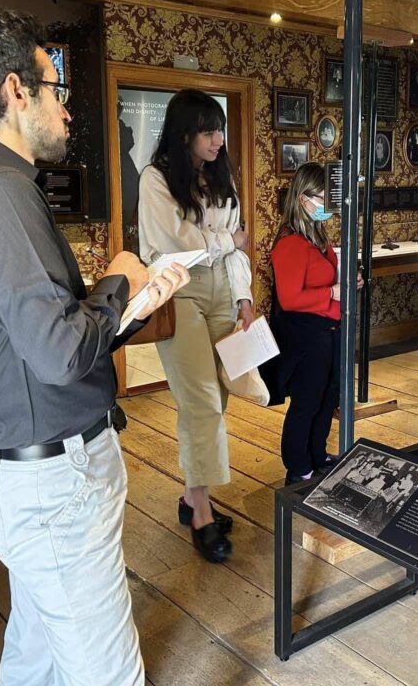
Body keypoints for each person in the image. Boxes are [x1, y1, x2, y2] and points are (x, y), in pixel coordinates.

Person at [0, 5, 189, 685]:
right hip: (52, 482)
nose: (66, 112)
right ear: (16, 93)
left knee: (37, 659)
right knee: (107, 672)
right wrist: (121, 282)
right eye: (54, 91)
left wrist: (131, 296)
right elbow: (61, 353)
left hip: (27, 472)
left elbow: (33, 341)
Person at [138, 89, 252, 563]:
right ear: (184, 132)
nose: (217, 139)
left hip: (224, 290)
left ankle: (191, 496)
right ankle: (201, 510)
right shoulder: (155, 179)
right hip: (179, 290)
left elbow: (238, 247)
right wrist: (227, 239)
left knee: (219, 395)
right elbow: (177, 244)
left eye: (219, 129)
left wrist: (245, 296)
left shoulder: (221, 176)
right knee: (200, 399)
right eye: (208, 130)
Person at [270, 163, 363, 484]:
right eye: (322, 199)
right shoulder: (290, 243)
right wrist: (333, 291)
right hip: (306, 335)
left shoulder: (317, 236)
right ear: (303, 198)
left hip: (329, 331)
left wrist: (349, 281)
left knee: (328, 397)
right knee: (307, 401)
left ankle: (317, 452)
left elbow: (325, 276)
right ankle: (297, 467)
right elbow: (290, 298)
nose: (327, 206)